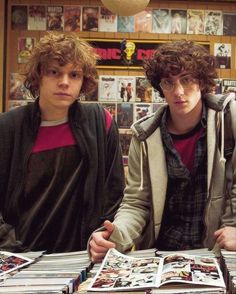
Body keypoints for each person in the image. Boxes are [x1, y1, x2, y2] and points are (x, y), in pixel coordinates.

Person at [89, 40, 236, 262]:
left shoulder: (229, 118)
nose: (178, 91)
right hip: (162, 256)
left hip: (217, 254)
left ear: (202, 82)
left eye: (186, 80)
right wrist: (114, 234)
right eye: (169, 83)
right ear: (160, 87)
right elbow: (137, 202)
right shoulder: (145, 134)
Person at [0, 32, 124, 253]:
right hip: (20, 257)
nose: (64, 82)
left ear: (83, 80)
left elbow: (113, 192)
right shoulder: (8, 128)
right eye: (54, 72)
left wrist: (102, 238)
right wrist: (11, 249)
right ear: (39, 76)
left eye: (74, 75)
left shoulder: (100, 121)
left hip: (83, 255)